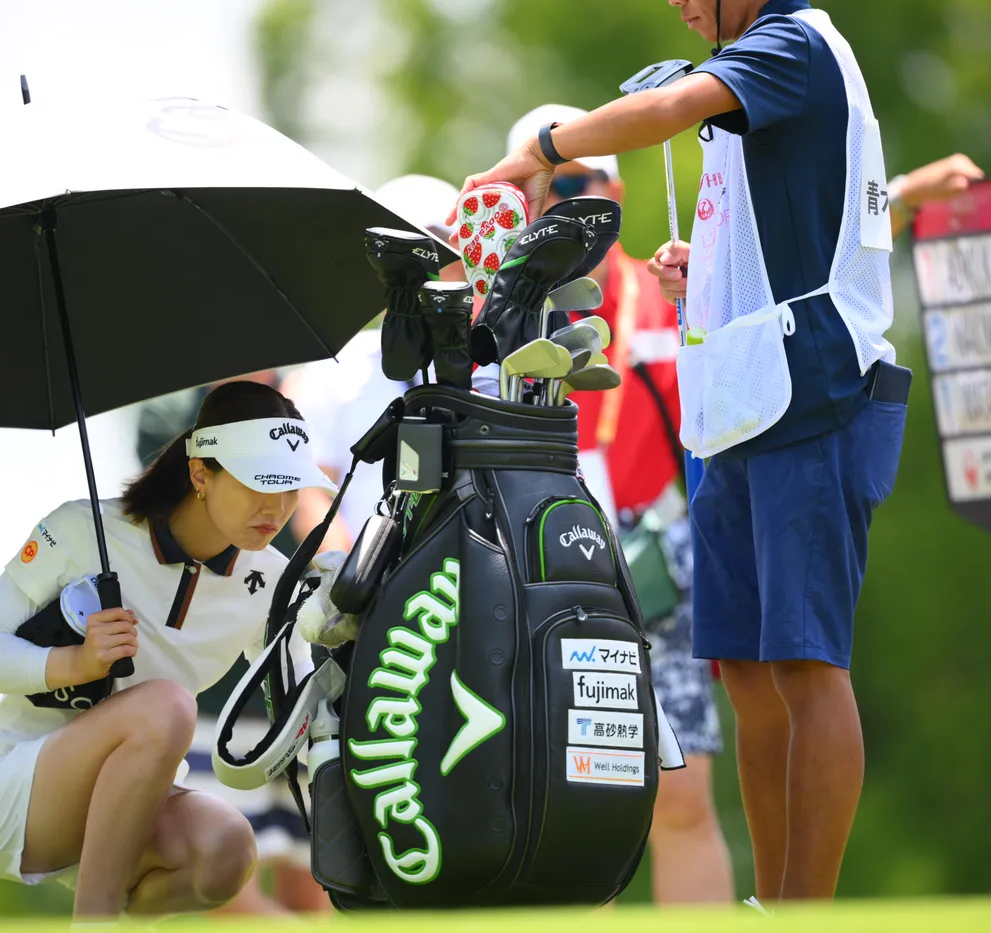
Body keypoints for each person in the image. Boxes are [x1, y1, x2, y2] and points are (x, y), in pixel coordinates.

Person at [455, 0, 910, 901]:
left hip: (809, 394)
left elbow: (666, 110)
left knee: (808, 665)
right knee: (748, 671)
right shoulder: (764, 55)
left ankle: (804, 913)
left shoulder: (792, 41)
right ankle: (771, 904)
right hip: (743, 402)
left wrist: (540, 148)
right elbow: (786, 238)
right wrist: (706, 277)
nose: (676, 4)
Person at [0, 381, 339, 919]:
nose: (276, 507)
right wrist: (76, 663)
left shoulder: (275, 579)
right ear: (200, 474)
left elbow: (298, 711)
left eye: (291, 485)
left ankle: (119, 916)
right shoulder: (82, 529)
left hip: (136, 806)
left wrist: (340, 622)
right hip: (16, 795)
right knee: (168, 705)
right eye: (258, 482)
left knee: (229, 850)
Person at [494, 104, 734, 905]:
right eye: (541, 187)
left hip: (650, 556)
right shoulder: (492, 309)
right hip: (523, 562)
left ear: (617, 191)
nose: (560, 203)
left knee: (682, 796)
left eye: (578, 183)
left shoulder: (669, 292)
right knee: (543, 797)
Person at [132, 370, 327, 917]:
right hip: (210, 699)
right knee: (220, 883)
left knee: (314, 879)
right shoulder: (175, 412)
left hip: (294, 676)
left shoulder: (305, 401)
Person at [284, 173, 462, 552]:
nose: (415, 273)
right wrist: (349, 576)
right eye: (397, 259)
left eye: (433, 251)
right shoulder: (332, 370)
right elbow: (313, 493)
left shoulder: (495, 365)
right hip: (369, 577)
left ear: (460, 261)